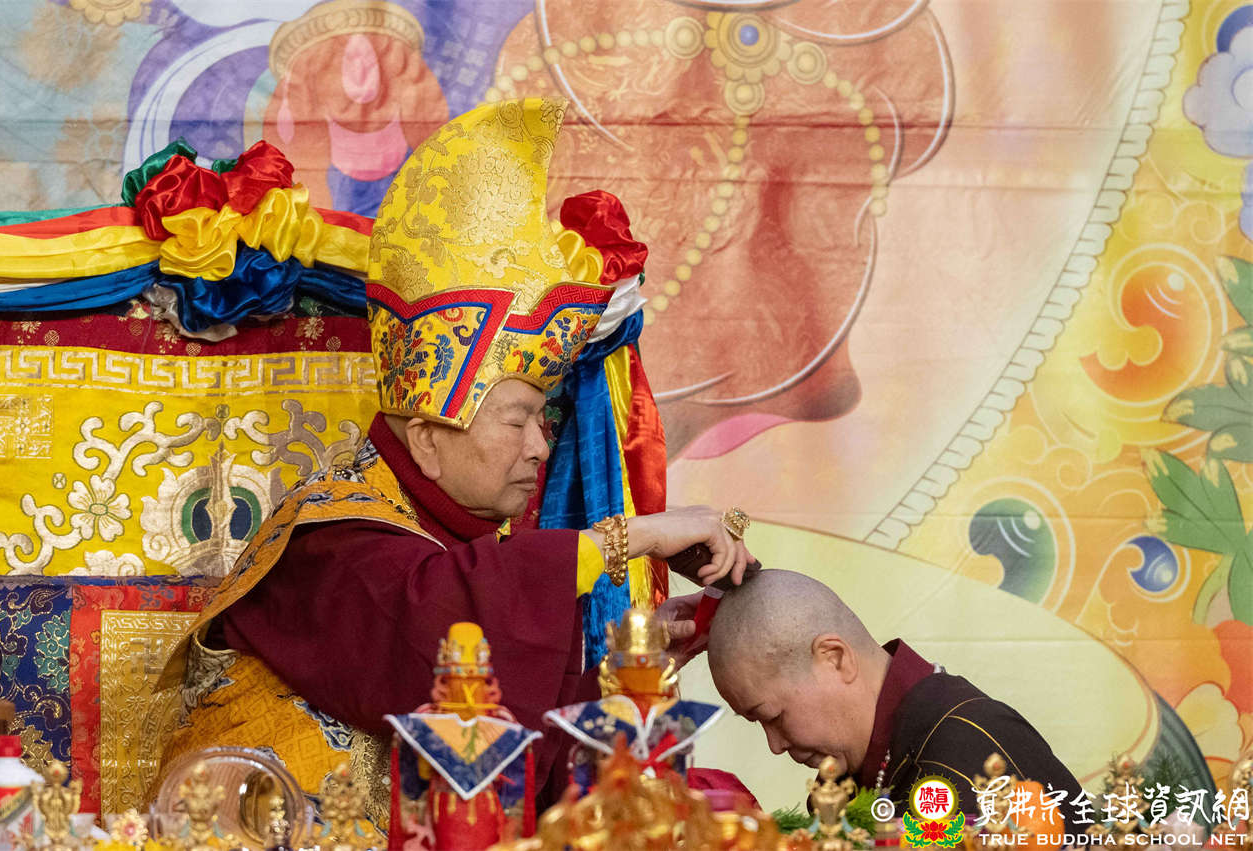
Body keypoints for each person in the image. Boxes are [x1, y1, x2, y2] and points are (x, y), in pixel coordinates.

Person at [155, 97, 753, 819]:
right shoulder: (333, 536)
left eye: (543, 420)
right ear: (427, 439)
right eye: (517, 419)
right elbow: (438, 625)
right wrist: (635, 536)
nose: (540, 445)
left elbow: (519, 732)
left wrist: (633, 656)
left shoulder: (462, 551)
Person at [705, 570, 1082, 826]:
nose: (774, 745)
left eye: (772, 716)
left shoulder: (968, 748)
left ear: (835, 658)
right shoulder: (847, 778)